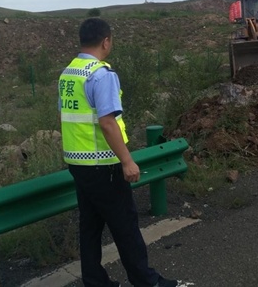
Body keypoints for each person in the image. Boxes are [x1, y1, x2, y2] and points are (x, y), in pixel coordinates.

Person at [58, 18, 179, 287]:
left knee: (90, 226)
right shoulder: (101, 75)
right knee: (125, 225)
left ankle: (95, 282)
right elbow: (107, 122)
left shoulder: (68, 73)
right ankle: (146, 282)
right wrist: (127, 161)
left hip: (77, 163)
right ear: (106, 41)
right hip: (104, 165)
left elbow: (67, 117)